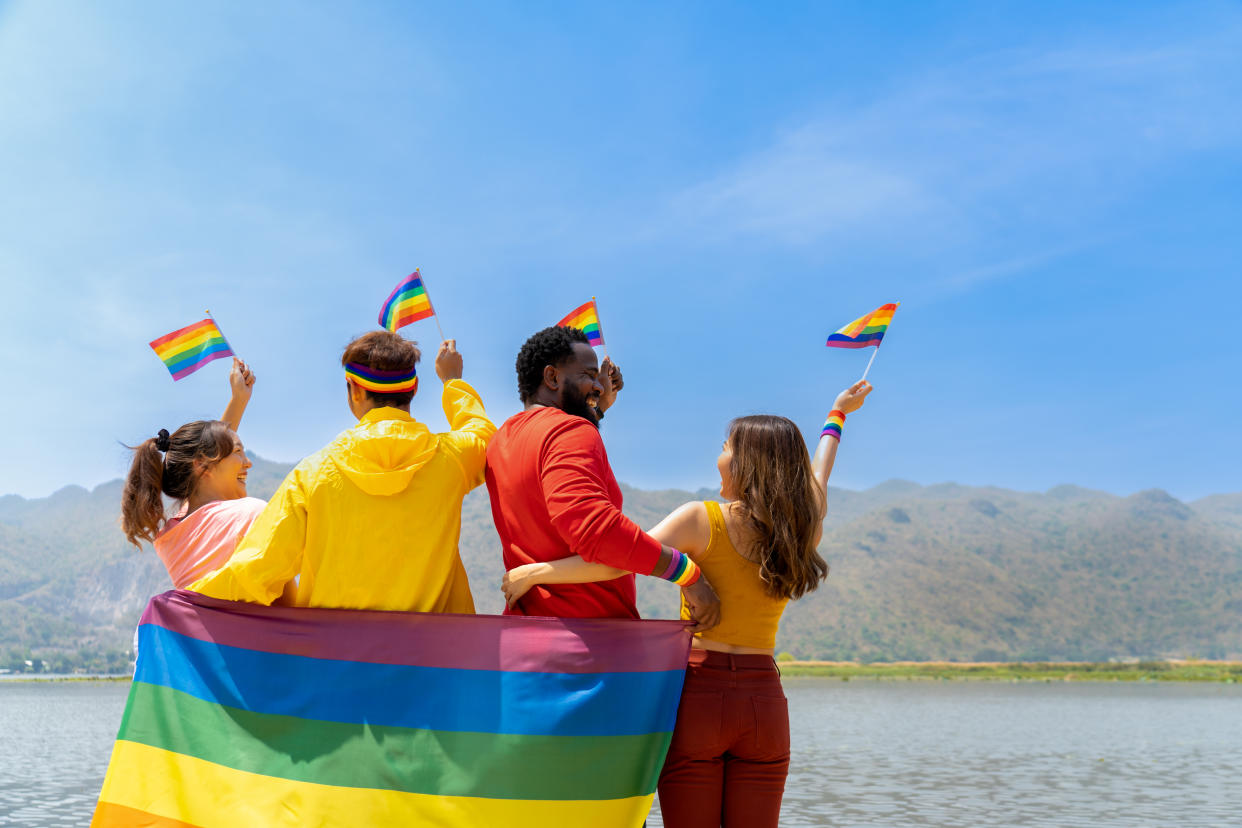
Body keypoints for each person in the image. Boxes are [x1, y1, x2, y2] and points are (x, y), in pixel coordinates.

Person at [502, 380, 874, 828]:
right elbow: (818, 473)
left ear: (745, 463)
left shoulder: (702, 520)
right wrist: (838, 415)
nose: (718, 457)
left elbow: (616, 562)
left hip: (698, 697)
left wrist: (537, 572)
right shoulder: (803, 525)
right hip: (764, 704)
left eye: (724, 447)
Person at [191, 333, 494, 612]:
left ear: (355, 390)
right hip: (435, 665)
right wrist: (453, 382)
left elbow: (253, 571)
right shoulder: (453, 458)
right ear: (413, 389)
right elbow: (485, 437)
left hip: (334, 666)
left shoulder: (312, 474)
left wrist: (180, 602)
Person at [485, 325, 721, 628]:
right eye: (588, 375)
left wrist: (597, 410)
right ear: (552, 377)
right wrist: (687, 574)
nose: (598, 386)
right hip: (590, 643)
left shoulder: (502, 439)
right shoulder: (570, 430)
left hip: (529, 637)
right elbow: (598, 532)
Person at [121, 358, 263, 589]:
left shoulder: (174, 534)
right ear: (202, 465)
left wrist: (238, 400)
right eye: (238, 452)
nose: (248, 464)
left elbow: (210, 462)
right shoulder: (250, 515)